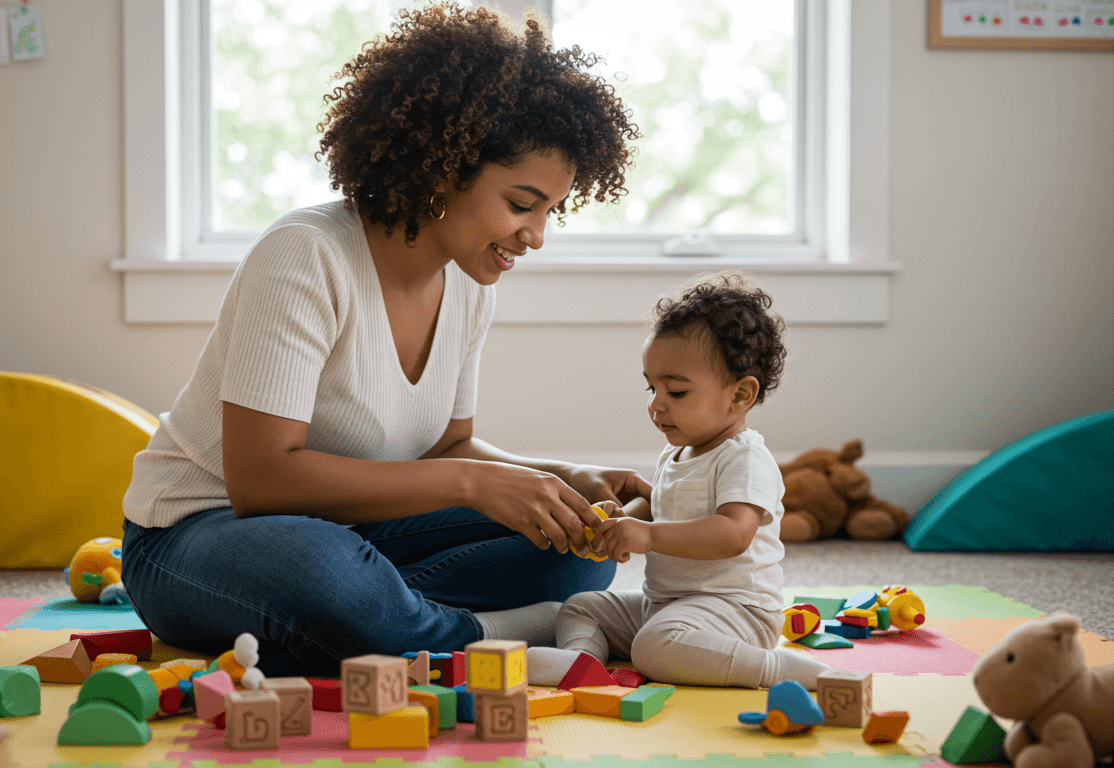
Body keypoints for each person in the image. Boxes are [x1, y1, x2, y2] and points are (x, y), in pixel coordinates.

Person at [118, 3, 646, 678]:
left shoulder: (469, 283)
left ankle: (371, 628)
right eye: (520, 204)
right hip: (198, 535)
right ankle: (476, 629)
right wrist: (475, 484)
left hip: (354, 532)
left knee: (572, 542)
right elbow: (261, 482)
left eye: (550, 211)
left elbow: (447, 446)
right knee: (322, 568)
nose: (535, 235)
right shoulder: (305, 254)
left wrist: (555, 479)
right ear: (443, 168)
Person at [526, 273, 834, 689]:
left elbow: (732, 534)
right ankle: (580, 664)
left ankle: (775, 670)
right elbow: (662, 505)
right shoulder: (678, 452)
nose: (655, 404)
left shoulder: (745, 457)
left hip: (736, 609)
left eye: (676, 392)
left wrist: (648, 536)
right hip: (667, 603)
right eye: (652, 388)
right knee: (582, 607)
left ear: (740, 395)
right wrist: (619, 520)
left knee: (654, 648)